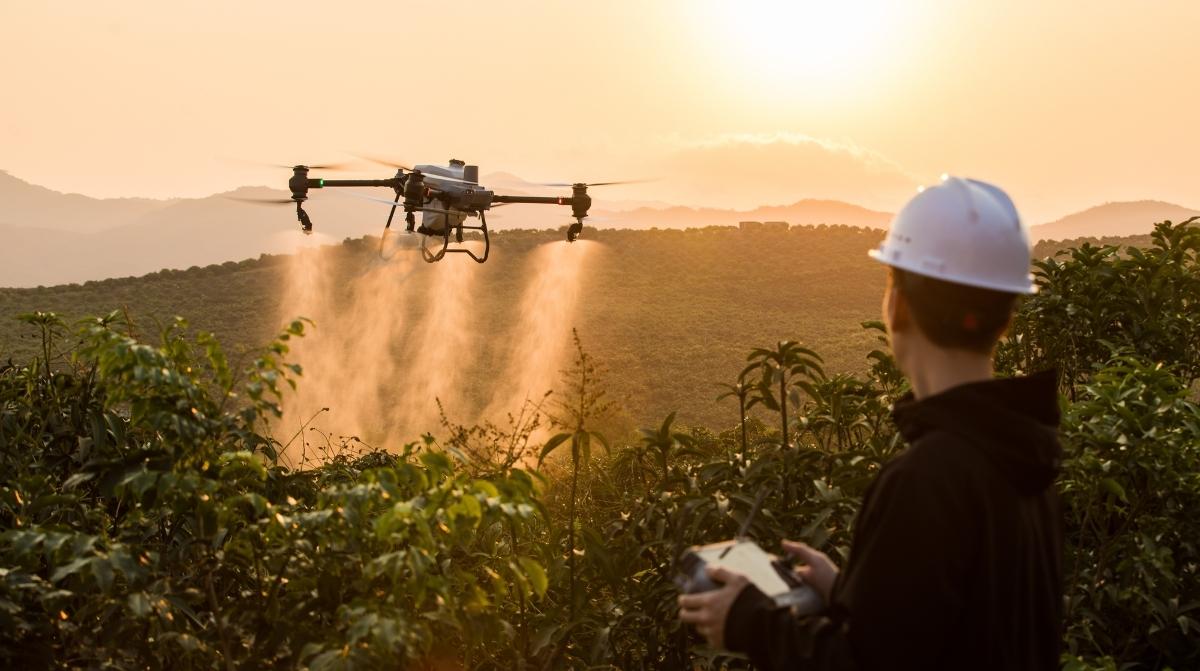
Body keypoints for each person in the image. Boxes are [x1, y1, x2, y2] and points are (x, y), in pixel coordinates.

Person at [678, 177, 1063, 670]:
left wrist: (750, 621)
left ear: (896, 305)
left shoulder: (929, 477)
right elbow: (959, 633)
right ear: (1005, 318)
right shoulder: (1028, 459)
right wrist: (848, 590)